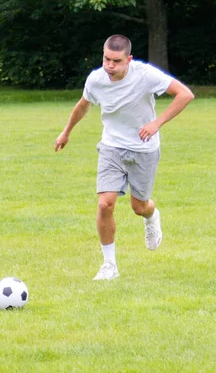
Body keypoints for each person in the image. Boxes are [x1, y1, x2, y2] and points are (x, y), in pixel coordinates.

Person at [54, 34, 194, 280]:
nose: (109, 66)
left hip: (144, 149)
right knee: (104, 204)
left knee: (138, 207)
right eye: (106, 59)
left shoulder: (145, 75)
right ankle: (110, 266)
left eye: (116, 61)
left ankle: (152, 215)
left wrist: (157, 123)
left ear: (128, 59)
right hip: (111, 148)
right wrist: (66, 132)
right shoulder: (96, 80)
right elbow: (83, 105)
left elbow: (185, 94)